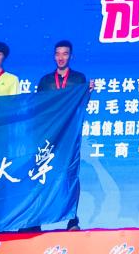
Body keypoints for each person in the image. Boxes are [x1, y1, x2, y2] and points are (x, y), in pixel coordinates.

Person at [34, 40, 87, 229]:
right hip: (48, 135)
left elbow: (81, 104)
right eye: (58, 54)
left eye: (65, 53)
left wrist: (87, 92)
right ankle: (36, 219)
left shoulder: (78, 79)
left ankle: (73, 218)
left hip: (70, 135)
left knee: (70, 174)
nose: (61, 57)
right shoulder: (46, 81)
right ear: (54, 56)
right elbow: (39, 106)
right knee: (42, 175)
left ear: (71, 56)